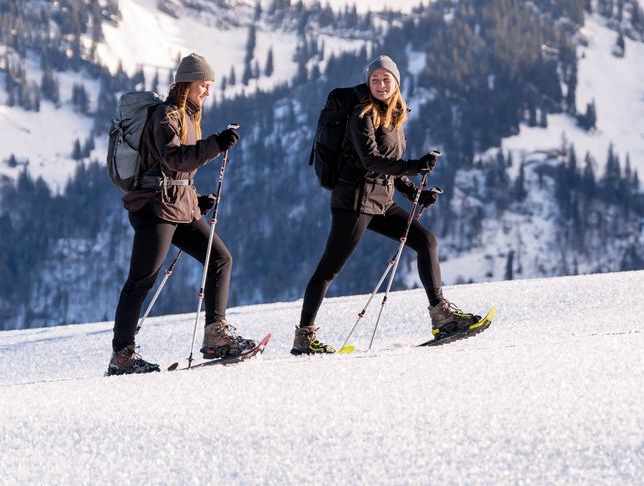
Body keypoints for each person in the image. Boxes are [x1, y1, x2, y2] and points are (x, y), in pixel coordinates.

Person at [292, 54, 480, 354]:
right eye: (375, 79)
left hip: (380, 200)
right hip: (354, 200)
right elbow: (370, 160)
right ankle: (304, 338)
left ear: (397, 83)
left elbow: (389, 165)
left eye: (386, 79)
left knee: (426, 242)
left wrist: (415, 193)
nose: (380, 85)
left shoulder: (393, 115)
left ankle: (442, 316)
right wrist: (414, 166)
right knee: (329, 269)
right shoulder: (362, 114)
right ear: (369, 82)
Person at [107, 53, 256, 375]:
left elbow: (175, 171)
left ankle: (216, 335)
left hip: (177, 205)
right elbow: (176, 159)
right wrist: (216, 144)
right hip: (154, 209)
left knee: (220, 259)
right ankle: (122, 355)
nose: (207, 92)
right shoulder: (165, 115)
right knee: (141, 280)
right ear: (187, 83)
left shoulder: (188, 116)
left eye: (209, 86)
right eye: (203, 85)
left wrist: (194, 200)